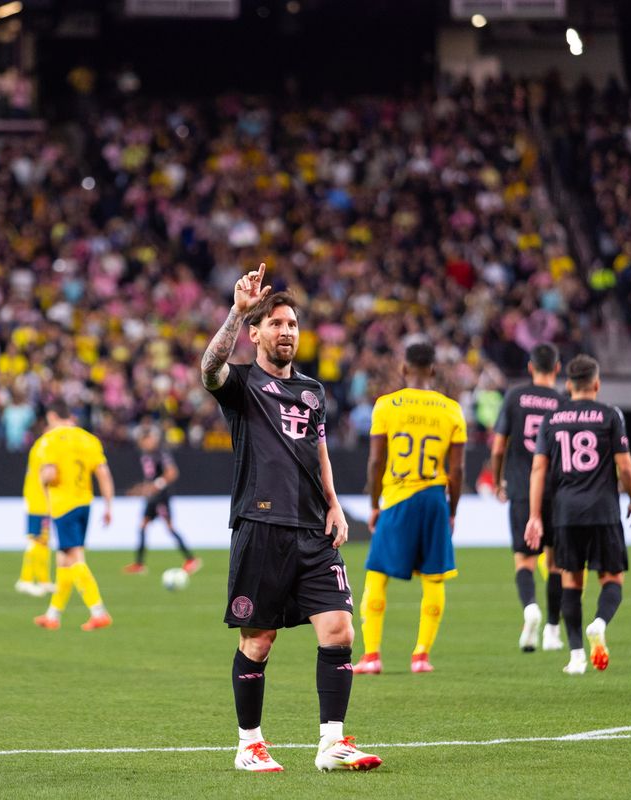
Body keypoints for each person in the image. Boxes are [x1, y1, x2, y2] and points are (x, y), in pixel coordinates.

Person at [201, 263, 381, 773]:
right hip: (261, 527)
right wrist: (236, 312)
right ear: (255, 333)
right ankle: (249, 744)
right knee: (258, 640)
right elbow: (207, 368)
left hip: (313, 529)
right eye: (277, 323)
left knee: (341, 630)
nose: (287, 332)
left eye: (293, 324)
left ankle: (332, 742)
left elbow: (318, 449)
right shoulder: (240, 386)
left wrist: (334, 503)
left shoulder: (313, 392)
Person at [353, 340, 465, 675]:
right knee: (433, 579)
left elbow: (375, 461)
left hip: (398, 498)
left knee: (376, 576)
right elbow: (457, 471)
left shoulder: (386, 406)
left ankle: (372, 656)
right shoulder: (451, 409)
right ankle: (421, 656)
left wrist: (374, 504)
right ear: (433, 370)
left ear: (404, 369)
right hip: (434, 498)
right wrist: (453, 510)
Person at [524, 355, 631, 675]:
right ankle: (599, 623)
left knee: (570, 582)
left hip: (564, 512)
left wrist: (535, 515)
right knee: (612, 579)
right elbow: (626, 466)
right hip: (603, 510)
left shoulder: (552, 419)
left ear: (569, 385)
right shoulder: (610, 415)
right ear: (597, 384)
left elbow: (538, 469)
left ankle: (576, 656)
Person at [491, 343, 564, 652]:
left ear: (531, 367)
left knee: (525, 560)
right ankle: (552, 630)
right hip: (558, 492)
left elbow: (497, 447)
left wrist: (497, 482)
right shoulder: (563, 402)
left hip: (522, 489)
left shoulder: (514, 396)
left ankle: (530, 608)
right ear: (557, 368)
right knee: (556, 564)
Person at [32, 402, 115, 632]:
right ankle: (53, 615)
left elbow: (50, 473)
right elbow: (103, 473)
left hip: (63, 505)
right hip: (84, 503)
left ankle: (99, 611)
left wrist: (41, 479)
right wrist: (108, 505)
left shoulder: (51, 440)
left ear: (52, 416)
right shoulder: (89, 439)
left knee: (75, 557)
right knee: (63, 560)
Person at [123, 425, 201, 576]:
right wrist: (139, 490)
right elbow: (150, 480)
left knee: (170, 527)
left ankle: (191, 559)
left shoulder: (160, 454)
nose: (145, 443)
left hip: (161, 497)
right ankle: (139, 564)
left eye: (147, 439)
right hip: (153, 497)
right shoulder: (145, 455)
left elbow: (172, 473)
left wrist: (157, 486)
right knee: (143, 526)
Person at [15, 434, 54, 598]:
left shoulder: (42, 446)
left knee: (44, 541)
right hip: (37, 501)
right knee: (35, 540)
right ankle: (25, 579)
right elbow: (48, 474)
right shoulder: (45, 447)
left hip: (42, 501)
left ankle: (43, 580)